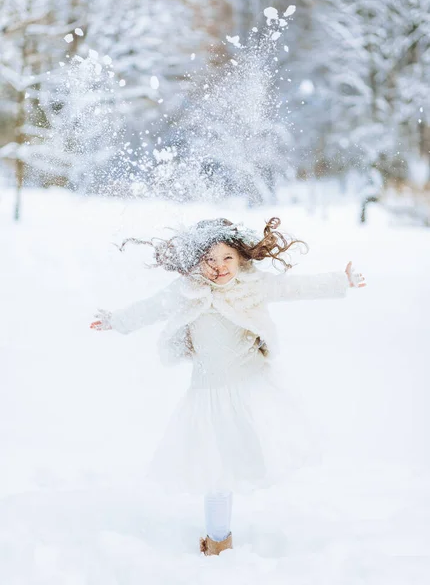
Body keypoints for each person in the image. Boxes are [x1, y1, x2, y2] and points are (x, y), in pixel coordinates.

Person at [90, 217, 366, 556]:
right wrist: (116, 321)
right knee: (214, 469)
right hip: (208, 395)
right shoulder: (187, 290)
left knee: (256, 449)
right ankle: (218, 542)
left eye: (227, 259)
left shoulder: (252, 284)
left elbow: (294, 287)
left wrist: (342, 281)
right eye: (210, 260)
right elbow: (153, 308)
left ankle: (234, 528)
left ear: (241, 259)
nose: (219, 268)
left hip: (251, 388)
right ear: (197, 262)